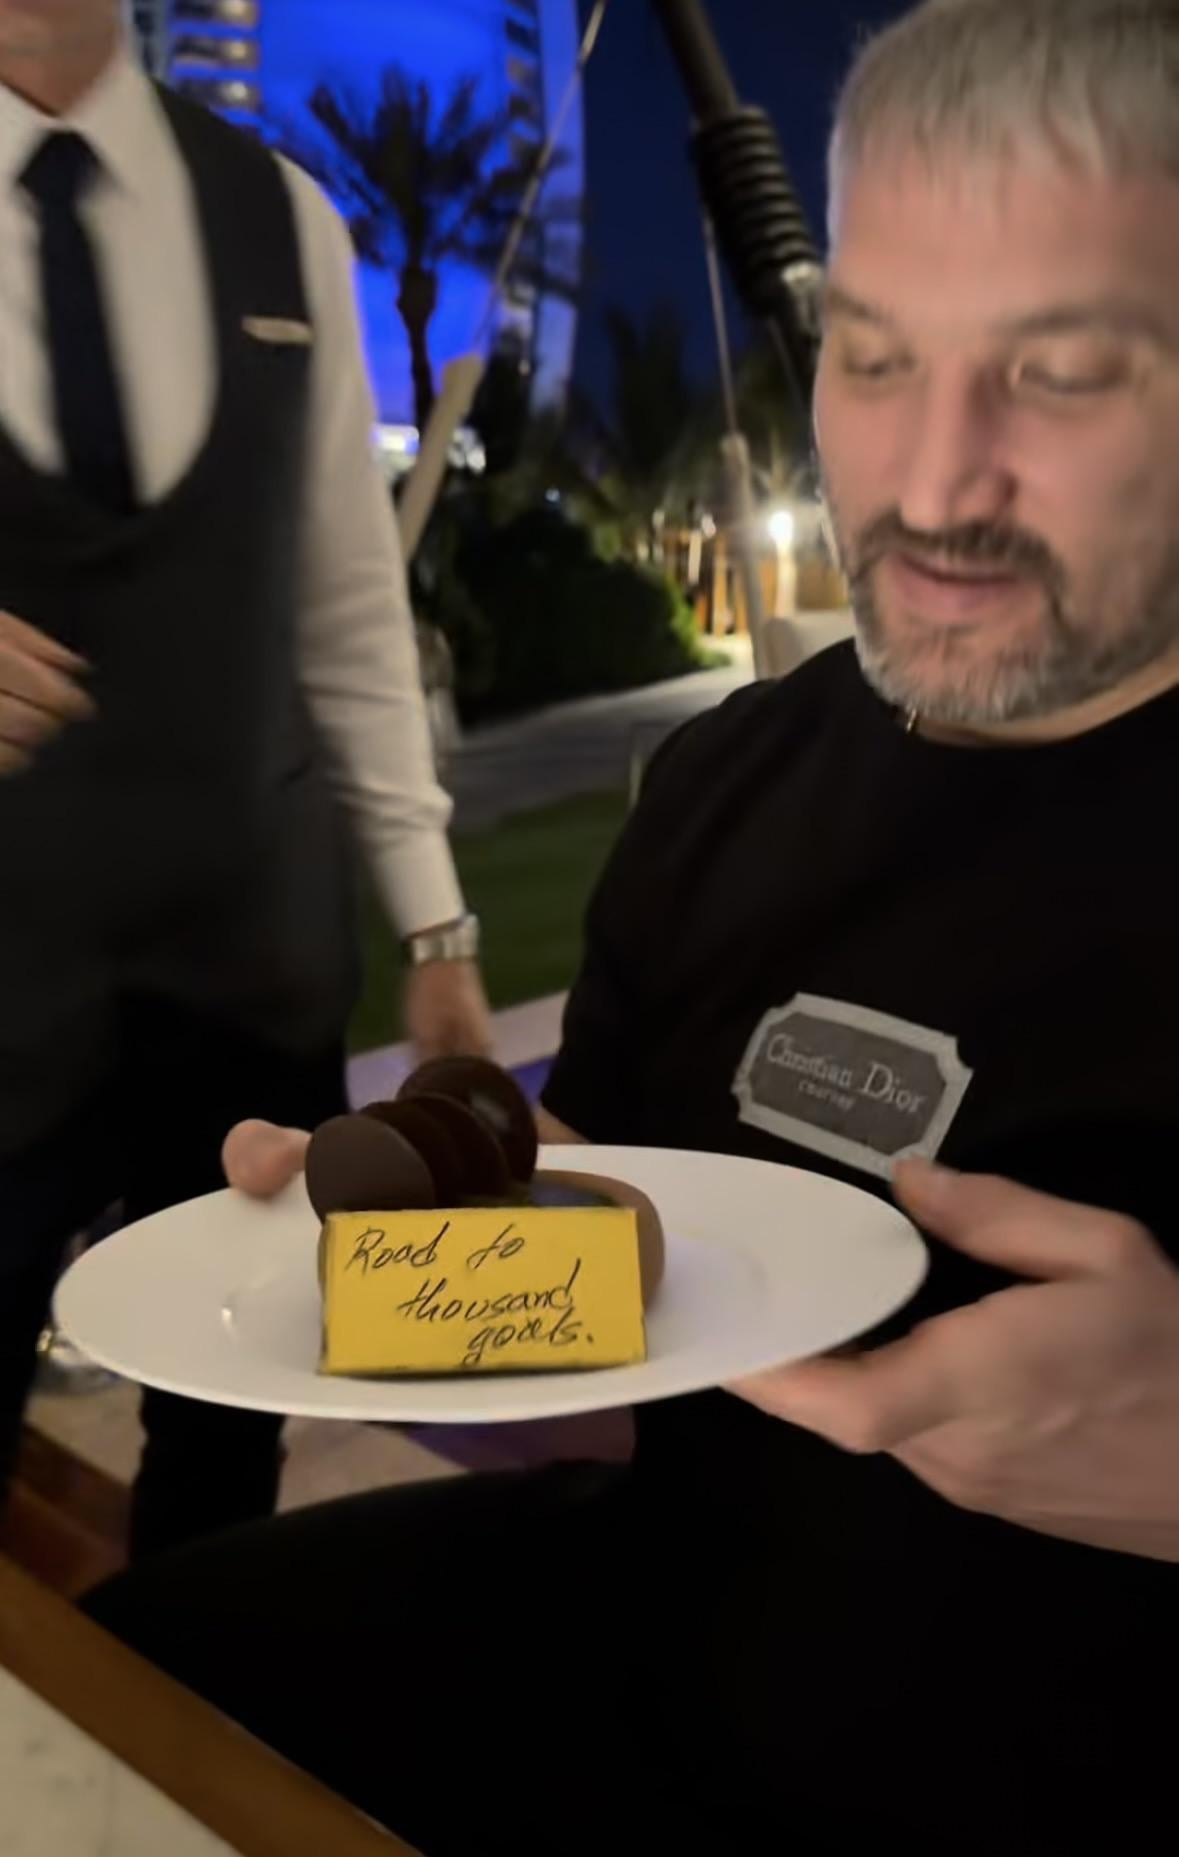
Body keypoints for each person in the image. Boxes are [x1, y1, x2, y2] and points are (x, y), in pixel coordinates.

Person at [86, 1, 1179, 1848]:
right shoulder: (727, 783)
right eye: (873, 355)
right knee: (129, 1687)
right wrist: (414, 1220)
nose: (929, 487)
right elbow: (604, 1235)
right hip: (665, 1631)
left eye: (1060, 374)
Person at [0, 0, 493, 1560]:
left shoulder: (283, 214)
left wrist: (435, 925)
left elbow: (347, 602)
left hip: (251, 976)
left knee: (227, 1444)